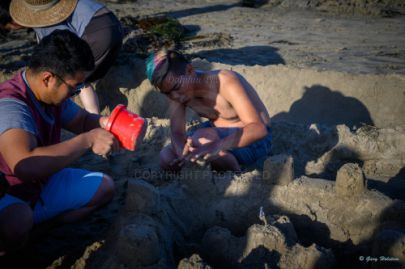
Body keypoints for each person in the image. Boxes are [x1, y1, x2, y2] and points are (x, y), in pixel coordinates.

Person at [0, 30, 117, 256]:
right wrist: (86, 141)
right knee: (18, 221)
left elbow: (82, 121)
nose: (75, 93)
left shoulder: (47, 93)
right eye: (74, 87)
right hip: (10, 191)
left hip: (40, 185)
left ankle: (39, 230)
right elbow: (24, 166)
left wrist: (109, 124)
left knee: (105, 188)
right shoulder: (11, 106)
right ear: (47, 78)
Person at [146, 49, 272, 172]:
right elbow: (177, 132)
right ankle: (216, 161)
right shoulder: (175, 91)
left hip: (253, 141)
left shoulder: (224, 82)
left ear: (189, 70)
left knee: (199, 138)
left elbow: (259, 129)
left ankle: (234, 169)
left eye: (176, 88)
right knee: (166, 157)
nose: (174, 97)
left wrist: (214, 146)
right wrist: (182, 153)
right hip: (216, 134)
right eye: (167, 93)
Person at [0, 0, 123, 114]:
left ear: (14, 22)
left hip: (96, 32)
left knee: (76, 75)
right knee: (81, 74)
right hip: (114, 25)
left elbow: (63, 47)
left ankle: (93, 117)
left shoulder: (43, 19)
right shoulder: (60, 7)